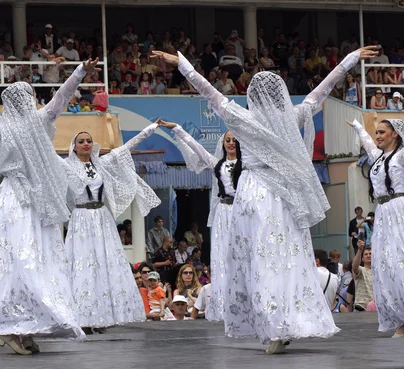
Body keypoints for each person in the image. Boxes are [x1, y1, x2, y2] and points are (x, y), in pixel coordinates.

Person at [151, 45, 378, 354]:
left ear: (254, 97)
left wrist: (182, 64)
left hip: (254, 192)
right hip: (282, 195)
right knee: (286, 259)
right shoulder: (292, 116)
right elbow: (321, 92)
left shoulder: (242, 118)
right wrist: (350, 59)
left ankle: (274, 325)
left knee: (260, 261)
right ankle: (284, 320)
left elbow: (207, 91)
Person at [0, 58, 101, 355]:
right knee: (24, 262)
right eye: (30, 96)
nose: (34, 101)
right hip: (20, 200)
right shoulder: (28, 121)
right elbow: (61, 97)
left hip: (24, 199)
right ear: (25, 100)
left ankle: (25, 325)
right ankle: (12, 325)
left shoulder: (7, 122)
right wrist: (79, 72)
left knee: (30, 261)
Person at [64, 125, 161, 332]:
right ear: (74, 147)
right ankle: (83, 317)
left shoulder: (101, 164)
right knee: (83, 265)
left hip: (101, 217)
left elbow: (126, 148)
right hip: (80, 219)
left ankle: (102, 316)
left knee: (103, 265)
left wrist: (150, 129)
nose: (86, 144)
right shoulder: (65, 166)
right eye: (81, 141)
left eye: (88, 140)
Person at [162, 122, 242, 322]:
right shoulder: (218, 164)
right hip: (224, 212)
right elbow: (196, 148)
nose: (231, 143)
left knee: (243, 256)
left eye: (234, 140)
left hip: (242, 211)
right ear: (222, 143)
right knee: (224, 257)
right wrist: (177, 129)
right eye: (228, 140)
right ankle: (226, 306)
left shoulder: (248, 163)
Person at [347, 118, 404, 337]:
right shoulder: (378, 158)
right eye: (376, 132)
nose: (378, 136)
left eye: (382, 132)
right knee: (386, 266)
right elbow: (367, 142)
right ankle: (399, 319)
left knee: (399, 263)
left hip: (400, 209)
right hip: (383, 213)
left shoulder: (401, 155)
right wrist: (357, 126)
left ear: (394, 134)